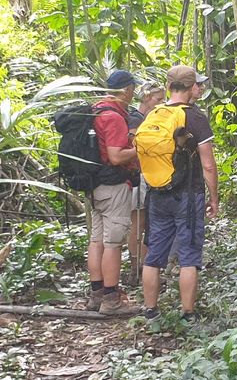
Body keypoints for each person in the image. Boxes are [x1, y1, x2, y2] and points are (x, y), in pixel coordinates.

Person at [141, 65, 218, 323]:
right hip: (187, 194)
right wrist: (214, 198)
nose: (201, 88)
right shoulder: (194, 117)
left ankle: (150, 310)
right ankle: (188, 313)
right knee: (189, 255)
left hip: (157, 192)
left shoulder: (155, 113)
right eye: (198, 84)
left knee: (153, 256)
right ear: (190, 87)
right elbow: (208, 164)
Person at [86, 70, 142, 315]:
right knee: (113, 243)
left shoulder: (94, 110)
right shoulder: (114, 117)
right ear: (127, 90)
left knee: (96, 240)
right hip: (113, 185)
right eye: (132, 89)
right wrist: (140, 149)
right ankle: (111, 298)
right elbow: (116, 156)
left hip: (94, 185)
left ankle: (95, 293)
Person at [126, 83, 165, 284]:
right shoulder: (136, 118)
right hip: (138, 176)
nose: (161, 103)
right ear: (146, 98)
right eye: (158, 99)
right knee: (137, 223)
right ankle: (137, 267)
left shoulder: (146, 118)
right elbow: (135, 145)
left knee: (145, 223)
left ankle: (145, 265)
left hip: (147, 176)